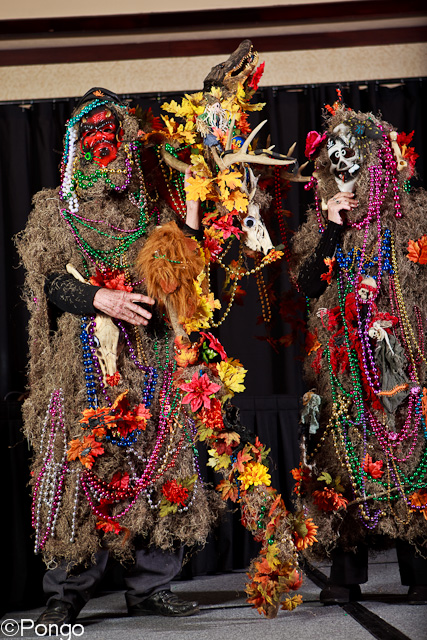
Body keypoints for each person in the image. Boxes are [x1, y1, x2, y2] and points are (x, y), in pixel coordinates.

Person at [16, 87, 226, 627]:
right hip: (82, 364)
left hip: (148, 355)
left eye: (111, 134)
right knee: (79, 468)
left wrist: (193, 209)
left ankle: (152, 586)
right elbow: (50, 280)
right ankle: (66, 591)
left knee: (160, 461)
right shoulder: (55, 211)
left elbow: (183, 267)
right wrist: (99, 298)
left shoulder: (152, 208)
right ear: (77, 147)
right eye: (91, 137)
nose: (102, 145)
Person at [291, 102, 427, 605]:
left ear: (374, 161)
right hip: (343, 361)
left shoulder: (408, 216)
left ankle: (420, 567)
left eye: (352, 155)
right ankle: (346, 573)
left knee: (409, 451)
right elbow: (309, 284)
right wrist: (331, 227)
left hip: (400, 356)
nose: (343, 166)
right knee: (343, 454)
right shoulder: (325, 222)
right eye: (334, 157)